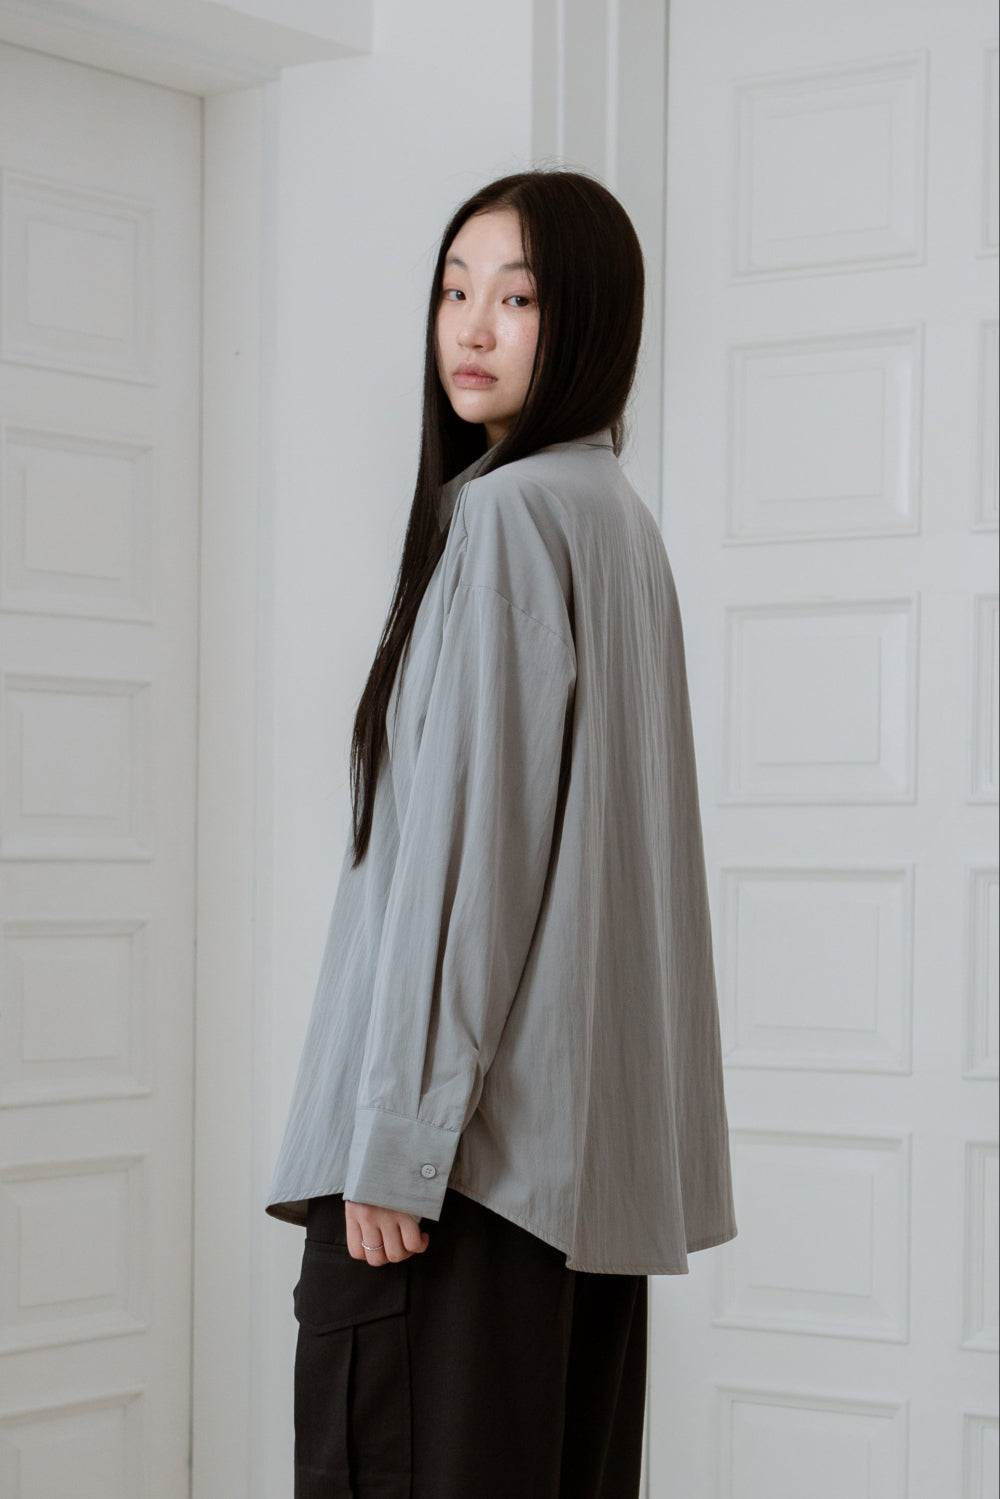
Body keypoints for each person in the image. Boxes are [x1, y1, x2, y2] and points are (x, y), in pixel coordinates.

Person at [265, 167, 737, 1499]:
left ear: (587, 322)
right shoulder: (617, 524)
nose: (472, 329)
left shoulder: (508, 515)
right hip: (574, 1201)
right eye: (454, 291)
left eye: (518, 300)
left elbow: (471, 863)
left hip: (455, 1185)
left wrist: (398, 1142)